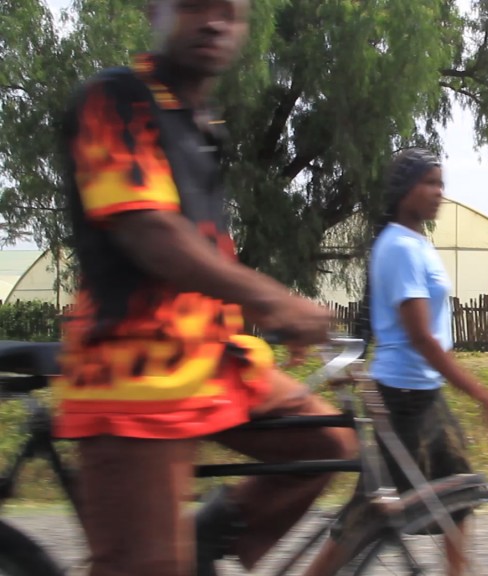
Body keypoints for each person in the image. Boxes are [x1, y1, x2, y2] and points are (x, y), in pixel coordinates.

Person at [51, 0, 358, 575]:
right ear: (155, 11)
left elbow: (206, 246)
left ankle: (199, 545)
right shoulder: (114, 99)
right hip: (133, 371)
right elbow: (150, 232)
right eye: (195, 6)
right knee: (145, 567)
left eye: (230, 11)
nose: (214, 22)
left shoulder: (202, 123)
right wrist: (272, 299)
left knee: (326, 444)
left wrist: (265, 321)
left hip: (214, 358)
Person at [353, 148, 488, 574]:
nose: (438, 193)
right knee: (364, 522)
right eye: (428, 183)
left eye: (441, 184)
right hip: (404, 396)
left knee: (456, 503)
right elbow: (422, 340)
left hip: (419, 391)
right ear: (402, 191)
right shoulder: (400, 247)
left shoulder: (413, 243)